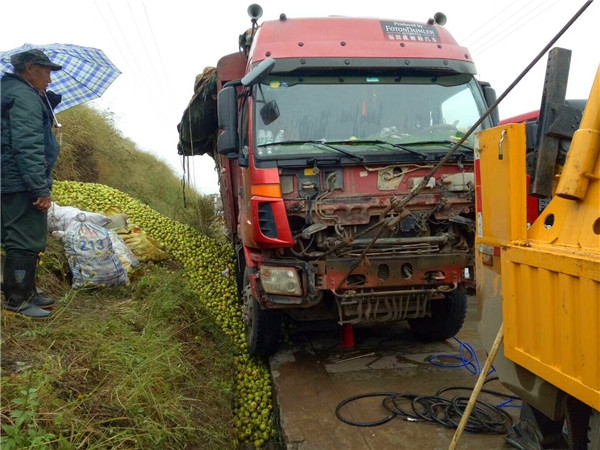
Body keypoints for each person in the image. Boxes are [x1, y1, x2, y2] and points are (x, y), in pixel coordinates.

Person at [1, 49, 63, 319]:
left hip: (12, 177)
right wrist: (39, 187)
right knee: (23, 238)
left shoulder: (19, 93)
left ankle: (27, 292)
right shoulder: (24, 96)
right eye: (46, 71)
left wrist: (47, 105)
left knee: (24, 235)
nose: (49, 79)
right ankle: (16, 300)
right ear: (29, 68)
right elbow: (27, 145)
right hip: (18, 179)